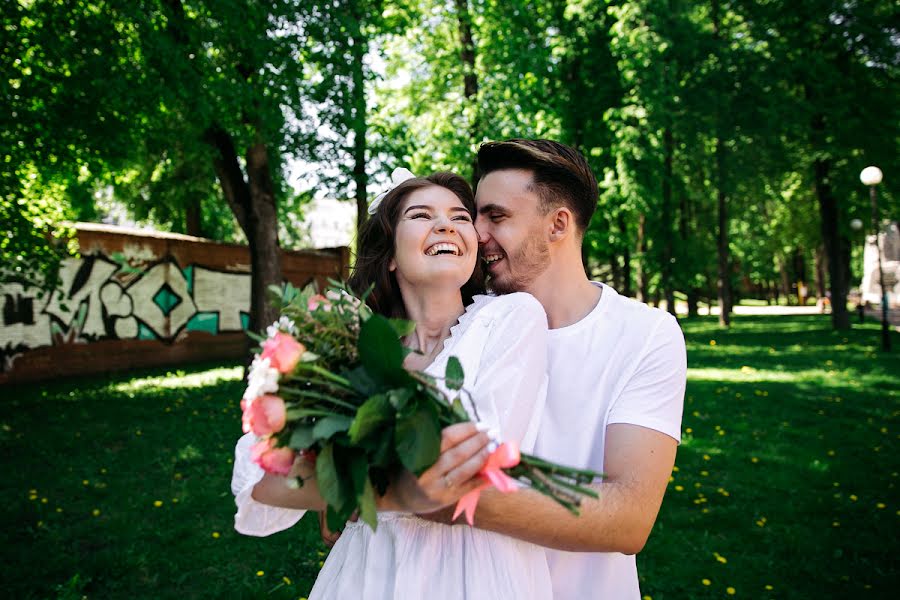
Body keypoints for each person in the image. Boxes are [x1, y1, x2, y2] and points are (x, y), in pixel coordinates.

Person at [231, 171, 554, 598]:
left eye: (460, 218)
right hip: (369, 570)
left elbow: (471, 459)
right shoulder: (347, 346)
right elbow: (262, 477)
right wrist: (392, 494)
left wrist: (347, 487)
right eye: (422, 215)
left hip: (475, 569)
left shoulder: (511, 318)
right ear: (390, 256)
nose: (446, 225)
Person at [417, 139, 687, 599]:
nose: (476, 233)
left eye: (496, 217)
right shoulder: (464, 324)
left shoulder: (645, 334)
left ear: (558, 223)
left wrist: (424, 496)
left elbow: (628, 518)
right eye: (475, 215)